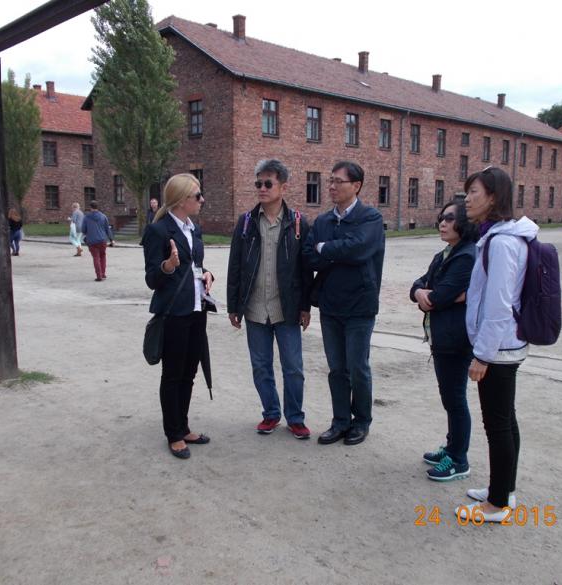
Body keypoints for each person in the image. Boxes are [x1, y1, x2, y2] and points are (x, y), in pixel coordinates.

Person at [457, 166, 538, 523]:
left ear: (493, 197)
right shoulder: (496, 236)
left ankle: (497, 505)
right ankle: (503, 489)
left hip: (499, 348)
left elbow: (499, 304)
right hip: (504, 345)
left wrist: (482, 355)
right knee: (506, 419)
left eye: (473, 192)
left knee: (497, 424)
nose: (467, 199)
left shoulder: (503, 242)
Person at [227, 159, 314, 439]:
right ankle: (271, 414)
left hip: (286, 309)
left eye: (268, 183)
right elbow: (236, 267)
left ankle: (295, 418)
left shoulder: (298, 223)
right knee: (261, 366)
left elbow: (305, 271)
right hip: (254, 309)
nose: (261, 188)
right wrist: (233, 306)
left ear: (283, 186)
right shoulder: (246, 223)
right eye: (258, 183)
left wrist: (305, 307)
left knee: (293, 368)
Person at [303, 161, 385, 446]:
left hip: (360, 306)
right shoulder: (324, 221)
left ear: (357, 185)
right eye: (331, 181)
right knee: (337, 368)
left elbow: (360, 248)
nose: (332, 186)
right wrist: (336, 252)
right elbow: (308, 256)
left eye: (339, 181)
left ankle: (361, 422)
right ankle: (340, 422)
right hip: (330, 306)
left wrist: (326, 249)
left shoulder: (370, 218)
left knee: (358, 367)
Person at [141, 173, 214, 459]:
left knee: (189, 373)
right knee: (172, 375)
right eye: (197, 196)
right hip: (173, 312)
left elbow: (197, 266)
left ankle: (183, 426)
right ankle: (173, 433)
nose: (202, 200)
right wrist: (168, 266)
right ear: (182, 200)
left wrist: (208, 274)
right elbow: (151, 278)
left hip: (197, 310)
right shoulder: (158, 231)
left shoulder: (193, 228)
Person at [410, 200, 477, 481]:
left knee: (455, 398)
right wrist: (421, 295)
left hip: (456, 340)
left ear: (464, 222)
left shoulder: (466, 256)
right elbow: (418, 284)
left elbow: (439, 296)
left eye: (450, 218)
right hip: (442, 337)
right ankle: (451, 447)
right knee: (449, 397)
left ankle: (459, 459)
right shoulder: (444, 255)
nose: (442, 223)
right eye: (441, 217)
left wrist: (429, 297)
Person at [81, 200, 115, 281]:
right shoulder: (103, 216)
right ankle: (103, 273)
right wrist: (111, 239)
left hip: (92, 241)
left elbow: (83, 230)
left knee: (96, 257)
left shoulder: (86, 217)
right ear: (97, 207)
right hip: (102, 240)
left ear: (90, 207)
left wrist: (89, 231)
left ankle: (99, 275)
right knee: (102, 256)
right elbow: (107, 229)